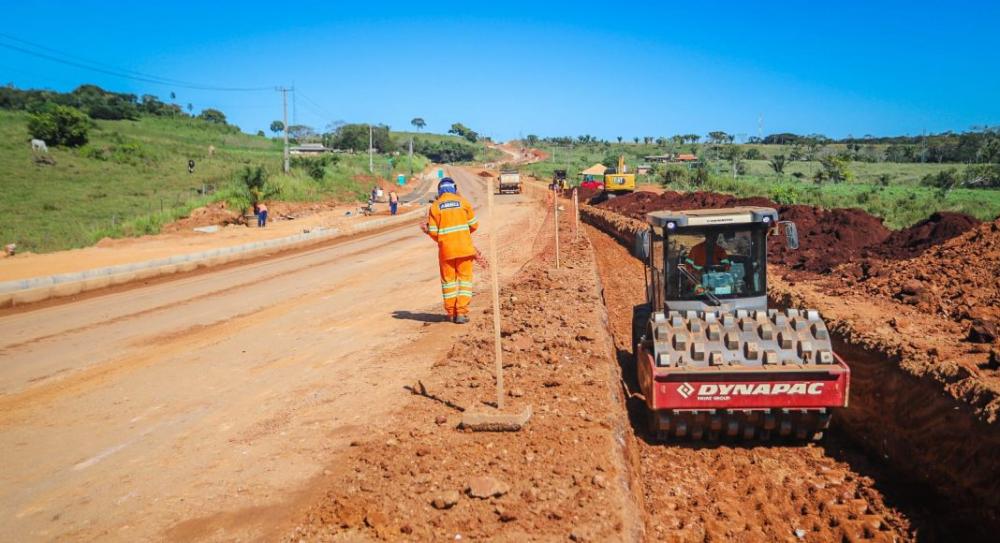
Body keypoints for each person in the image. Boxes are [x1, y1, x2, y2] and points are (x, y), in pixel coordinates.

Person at [422, 177, 478, 324]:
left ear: (440, 190)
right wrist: (462, 234)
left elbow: (433, 232)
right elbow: (474, 225)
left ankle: (451, 313)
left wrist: (441, 238)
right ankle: (461, 313)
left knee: (448, 283)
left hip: (446, 251)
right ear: (454, 188)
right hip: (465, 248)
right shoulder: (464, 202)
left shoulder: (435, 207)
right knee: (465, 281)